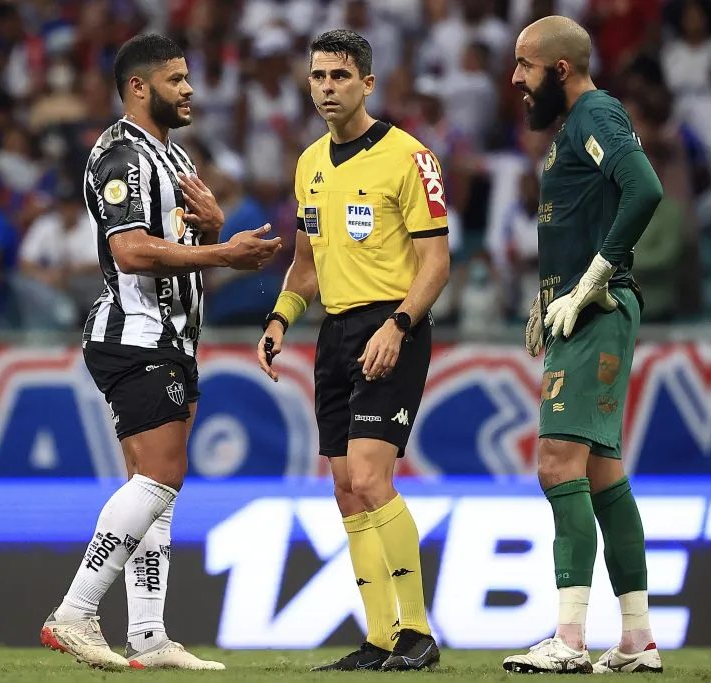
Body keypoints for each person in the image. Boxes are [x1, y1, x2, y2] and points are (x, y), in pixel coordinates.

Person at [39, 33, 280, 671]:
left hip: (171, 338)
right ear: (139, 87)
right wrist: (224, 253)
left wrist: (210, 229)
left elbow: (173, 245)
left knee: (155, 488)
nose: (190, 90)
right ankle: (75, 612)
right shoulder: (121, 154)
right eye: (176, 79)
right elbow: (130, 251)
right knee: (160, 476)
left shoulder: (170, 159)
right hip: (136, 335)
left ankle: (148, 634)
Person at [256, 29, 450, 672]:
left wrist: (398, 325)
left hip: (392, 325)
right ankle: (379, 637)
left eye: (340, 75)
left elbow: (436, 263)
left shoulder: (409, 157)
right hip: (335, 333)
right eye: (318, 76)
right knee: (344, 488)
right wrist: (282, 317)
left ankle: (417, 631)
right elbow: (306, 264)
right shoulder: (309, 163)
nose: (327, 87)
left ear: (368, 82)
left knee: (371, 477)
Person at [501, 16, 665, 674]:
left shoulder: (595, 113)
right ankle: (636, 639)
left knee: (554, 464)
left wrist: (593, 279)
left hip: (596, 308)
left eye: (525, 66)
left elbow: (645, 189)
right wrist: (548, 299)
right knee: (601, 477)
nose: (515, 79)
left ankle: (568, 640)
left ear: (559, 69)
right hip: (578, 309)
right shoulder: (575, 128)